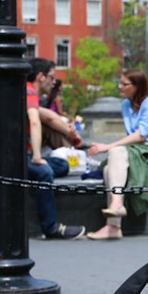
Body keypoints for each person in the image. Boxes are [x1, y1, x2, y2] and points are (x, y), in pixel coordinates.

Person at [86, 70, 148, 240]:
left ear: (138, 86)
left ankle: (117, 206)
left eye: (124, 84)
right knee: (107, 170)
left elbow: (142, 134)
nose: (120, 87)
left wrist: (107, 146)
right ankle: (113, 226)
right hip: (137, 152)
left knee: (116, 151)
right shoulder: (125, 105)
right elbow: (134, 138)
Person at [25, 58, 86, 239]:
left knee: (61, 165)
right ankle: (51, 228)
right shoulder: (28, 91)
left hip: (24, 156)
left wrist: (71, 133)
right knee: (44, 172)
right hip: (17, 157)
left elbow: (48, 117)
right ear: (40, 77)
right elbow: (35, 122)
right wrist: (37, 156)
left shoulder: (28, 93)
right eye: (51, 78)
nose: (54, 82)